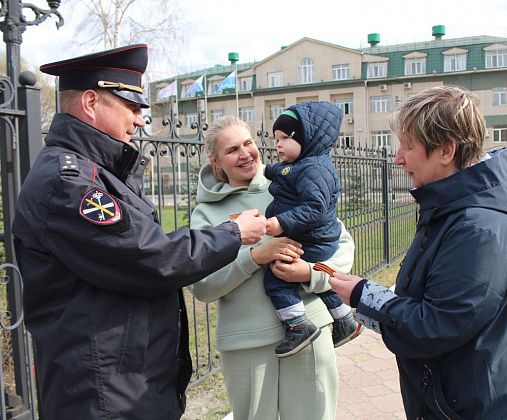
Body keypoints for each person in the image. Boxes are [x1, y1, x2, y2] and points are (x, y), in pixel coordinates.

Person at [12, 45, 266, 420]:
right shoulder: (71, 182)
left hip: (121, 383)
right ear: (90, 101)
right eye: (131, 106)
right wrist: (233, 232)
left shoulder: (95, 172)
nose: (140, 120)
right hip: (104, 393)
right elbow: (150, 258)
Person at [329, 86, 507, 419]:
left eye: (408, 146)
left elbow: (436, 325)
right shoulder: (450, 211)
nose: (397, 158)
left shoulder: (478, 229)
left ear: (446, 151)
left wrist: (362, 295)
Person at [189, 115, 355, 419]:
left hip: (312, 329)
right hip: (247, 342)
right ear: (216, 162)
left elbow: (341, 245)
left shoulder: (293, 182)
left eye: (248, 143)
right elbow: (202, 286)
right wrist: (255, 257)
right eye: (232, 150)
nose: (245, 153)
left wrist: (310, 273)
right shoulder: (206, 214)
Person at [263, 103, 362, 358]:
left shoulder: (314, 170)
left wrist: (281, 223)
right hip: (316, 238)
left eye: (285, 138)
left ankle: (298, 326)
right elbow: (285, 172)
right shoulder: (306, 163)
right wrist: (266, 170)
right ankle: (344, 321)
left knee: (276, 278)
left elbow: (315, 208)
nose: (278, 145)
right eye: (276, 139)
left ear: (306, 138)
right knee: (321, 282)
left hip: (313, 240)